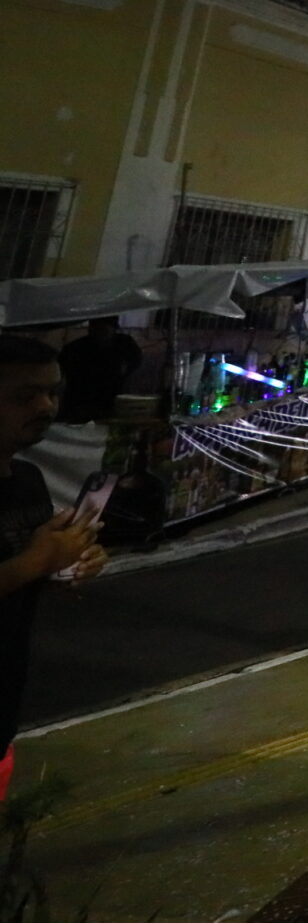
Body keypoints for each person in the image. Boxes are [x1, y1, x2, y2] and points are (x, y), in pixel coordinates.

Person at [0, 337, 108, 803]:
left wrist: (67, 565)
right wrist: (35, 561)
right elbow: (22, 565)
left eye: (53, 392)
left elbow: (22, 576)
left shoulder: (27, 482)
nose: (46, 405)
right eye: (25, 396)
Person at [57, 317, 142, 426]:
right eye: (97, 328)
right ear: (91, 328)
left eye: (104, 329)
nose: (100, 332)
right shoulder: (75, 349)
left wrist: (125, 371)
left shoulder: (125, 344)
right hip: (81, 405)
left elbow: (136, 361)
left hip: (112, 402)